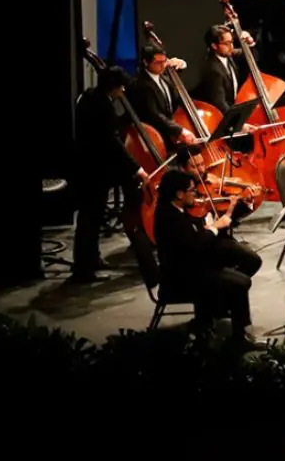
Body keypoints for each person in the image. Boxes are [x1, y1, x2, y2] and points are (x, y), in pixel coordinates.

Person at [153, 169, 260, 341]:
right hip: (180, 278)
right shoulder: (169, 217)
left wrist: (225, 214)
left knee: (238, 268)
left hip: (190, 267)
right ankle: (238, 339)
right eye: (191, 190)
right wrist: (213, 228)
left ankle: (213, 312)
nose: (195, 194)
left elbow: (193, 237)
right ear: (179, 194)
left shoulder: (175, 209)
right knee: (240, 282)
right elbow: (193, 246)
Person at [71, 67, 145, 281]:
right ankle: (84, 269)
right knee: (90, 219)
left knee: (90, 218)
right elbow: (111, 141)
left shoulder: (89, 97)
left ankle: (91, 260)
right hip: (94, 170)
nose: (122, 90)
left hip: (88, 168)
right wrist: (135, 167)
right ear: (112, 86)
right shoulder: (102, 104)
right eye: (120, 86)